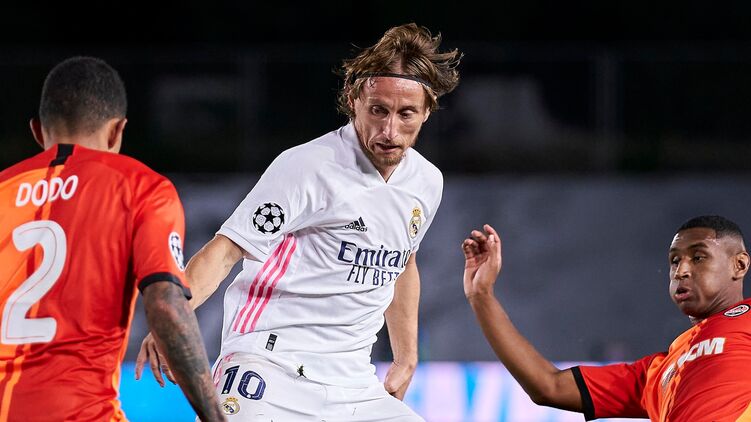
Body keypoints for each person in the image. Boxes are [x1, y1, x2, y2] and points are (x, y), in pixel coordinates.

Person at [136, 23, 462, 421]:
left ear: (427, 111)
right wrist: (172, 318)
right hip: (269, 366)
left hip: (354, 381)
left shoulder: (426, 182)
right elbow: (225, 251)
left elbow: (403, 262)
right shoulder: (307, 167)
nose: (389, 130)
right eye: (378, 110)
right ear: (354, 99)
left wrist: (406, 356)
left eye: (405, 113)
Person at [0, 57, 224, 421]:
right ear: (117, 131)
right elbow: (166, 304)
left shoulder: (4, 188)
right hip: (82, 412)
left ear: (38, 132)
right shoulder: (140, 187)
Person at [462, 216, 751, 421]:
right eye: (675, 260)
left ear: (739, 264)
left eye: (698, 257)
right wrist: (481, 295)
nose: (681, 270)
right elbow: (549, 386)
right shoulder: (657, 372)